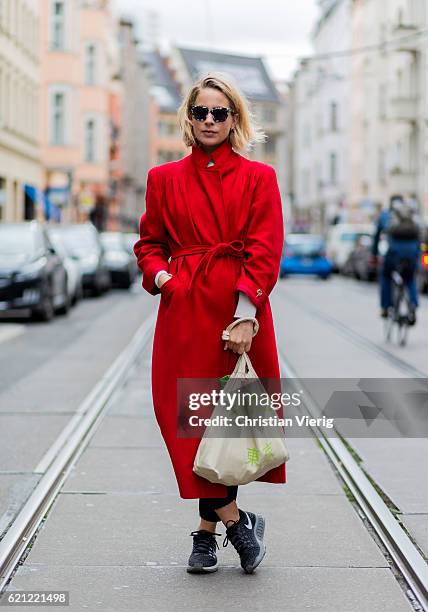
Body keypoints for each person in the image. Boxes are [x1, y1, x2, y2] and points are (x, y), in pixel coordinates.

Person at [133, 73, 286, 575]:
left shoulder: (259, 178)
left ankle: (206, 535)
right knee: (186, 423)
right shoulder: (163, 178)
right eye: (200, 112)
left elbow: (265, 251)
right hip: (183, 312)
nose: (209, 121)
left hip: (237, 312)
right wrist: (164, 278)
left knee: (227, 425)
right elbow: (149, 243)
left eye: (220, 113)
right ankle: (236, 521)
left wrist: (247, 317)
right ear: (188, 118)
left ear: (234, 118)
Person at [371, 194, 421, 324]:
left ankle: (386, 307)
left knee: (386, 276)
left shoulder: (386, 215)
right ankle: (413, 304)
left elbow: (376, 236)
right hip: (412, 253)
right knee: (410, 277)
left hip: (394, 254)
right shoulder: (412, 214)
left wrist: (374, 255)